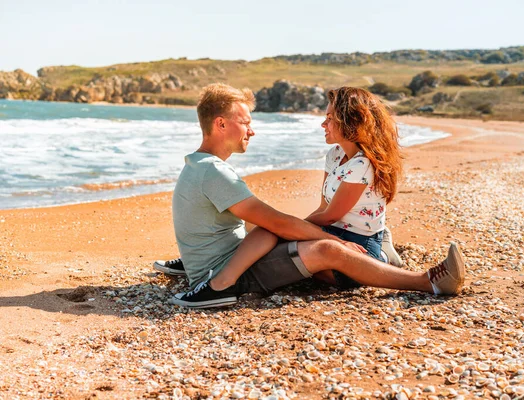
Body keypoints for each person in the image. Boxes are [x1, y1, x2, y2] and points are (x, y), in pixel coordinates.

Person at [161, 83, 465, 308]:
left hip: (229, 257)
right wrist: (334, 240)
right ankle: (426, 281)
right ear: (221, 124)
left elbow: (297, 219)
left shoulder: (200, 166)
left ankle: (383, 254)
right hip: (227, 269)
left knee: (272, 227)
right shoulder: (215, 173)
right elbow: (288, 220)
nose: (251, 131)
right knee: (304, 240)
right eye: (246, 123)